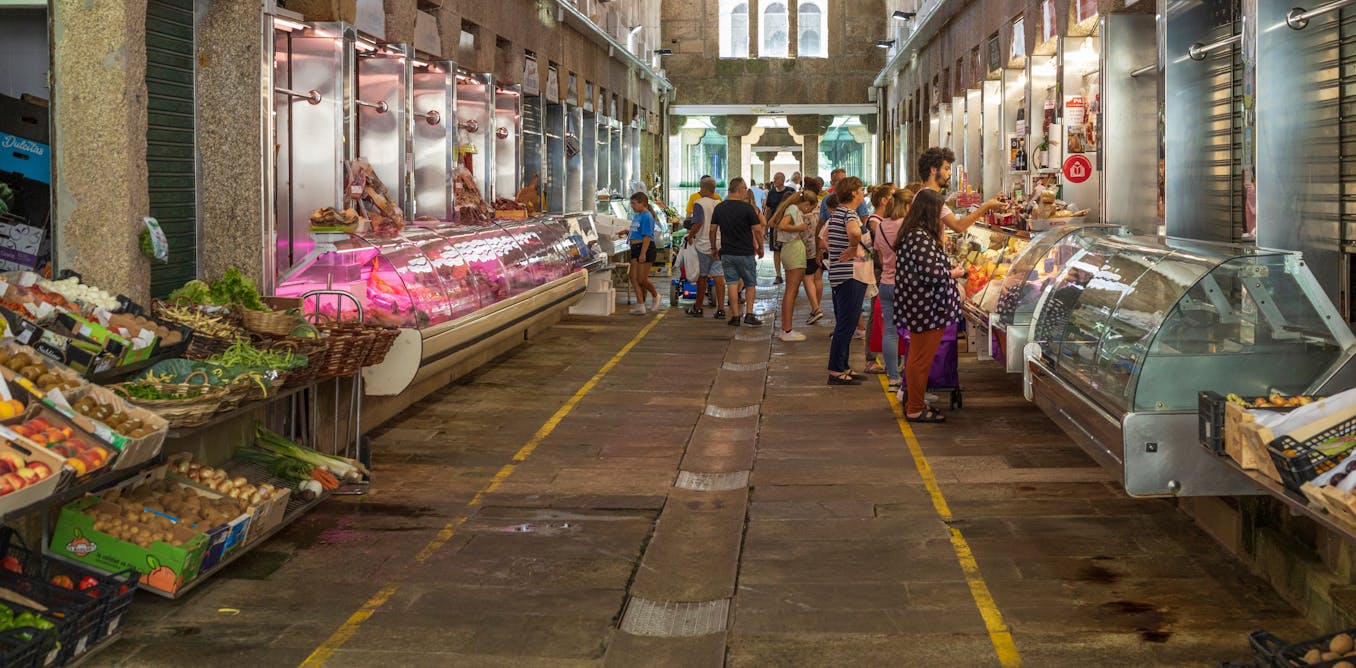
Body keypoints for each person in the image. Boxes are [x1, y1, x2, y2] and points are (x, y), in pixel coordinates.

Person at [891, 188, 964, 422]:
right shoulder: (919, 236)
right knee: (921, 360)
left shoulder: (913, 233)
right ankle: (915, 407)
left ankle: (914, 403)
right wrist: (954, 272)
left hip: (921, 307)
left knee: (917, 358)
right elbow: (932, 274)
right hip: (927, 308)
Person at [873, 183, 922, 391]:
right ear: (908, 205)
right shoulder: (909, 227)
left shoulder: (882, 225)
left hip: (886, 284)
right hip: (907, 286)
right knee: (914, 332)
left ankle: (893, 377)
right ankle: (910, 378)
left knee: (890, 332)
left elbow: (881, 255)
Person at [824, 176, 869, 384]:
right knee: (847, 323)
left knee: (847, 322)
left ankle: (843, 365)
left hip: (840, 273)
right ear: (853, 193)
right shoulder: (849, 214)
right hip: (850, 274)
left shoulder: (837, 213)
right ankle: (836, 369)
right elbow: (854, 233)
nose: (862, 193)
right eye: (860, 190)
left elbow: (826, 238)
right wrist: (853, 247)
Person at [710, 177, 764, 327]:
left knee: (732, 284)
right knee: (750, 283)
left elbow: (713, 230)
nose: (747, 192)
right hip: (745, 252)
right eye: (745, 188)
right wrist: (760, 247)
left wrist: (714, 247)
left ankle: (735, 316)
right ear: (740, 189)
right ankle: (750, 314)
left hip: (727, 252)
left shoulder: (720, 208)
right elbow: (758, 230)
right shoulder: (748, 208)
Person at [917, 147, 1008, 232]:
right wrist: (987, 206)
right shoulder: (930, 197)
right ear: (933, 170)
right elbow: (958, 226)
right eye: (946, 168)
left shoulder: (922, 194)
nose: (950, 173)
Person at [770, 191, 818, 341]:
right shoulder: (794, 209)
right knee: (792, 291)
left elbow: (773, 223)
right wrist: (800, 228)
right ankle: (787, 330)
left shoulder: (789, 207)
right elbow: (782, 225)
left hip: (788, 249)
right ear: (806, 204)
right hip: (794, 248)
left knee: (790, 291)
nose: (809, 211)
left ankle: (786, 328)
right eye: (810, 208)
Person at [861, 183, 895, 374]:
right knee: (876, 314)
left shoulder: (883, 220)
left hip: (884, 271)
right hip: (879, 272)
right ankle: (870, 358)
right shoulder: (875, 222)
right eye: (893, 195)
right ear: (884, 200)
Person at [685, 184, 726, 319]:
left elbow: (698, 223)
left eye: (701, 188)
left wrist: (690, 235)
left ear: (705, 189)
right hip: (718, 244)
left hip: (703, 245)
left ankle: (698, 307)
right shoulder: (719, 203)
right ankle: (721, 309)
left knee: (702, 277)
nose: (699, 191)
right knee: (719, 276)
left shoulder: (699, 203)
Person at [626, 192, 660, 315]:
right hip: (635, 247)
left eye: (634, 203)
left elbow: (647, 236)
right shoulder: (637, 215)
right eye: (631, 204)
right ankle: (640, 304)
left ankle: (655, 295)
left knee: (641, 279)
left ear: (643, 203)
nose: (632, 206)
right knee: (633, 277)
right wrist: (626, 232)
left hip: (644, 248)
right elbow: (637, 230)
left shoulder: (647, 216)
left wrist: (643, 253)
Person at [800, 177, 826, 324]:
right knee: (818, 278)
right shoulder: (823, 204)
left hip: (808, 246)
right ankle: (816, 307)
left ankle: (815, 308)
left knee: (807, 278)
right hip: (821, 245)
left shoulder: (805, 206)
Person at [763, 172, 795, 286]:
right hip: (775, 225)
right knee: (776, 250)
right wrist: (766, 226)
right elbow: (768, 209)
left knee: (787, 248)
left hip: (787, 225)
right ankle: (778, 274)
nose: (774, 180)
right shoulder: (771, 192)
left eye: (776, 179)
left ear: (782, 180)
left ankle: (789, 272)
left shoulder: (790, 191)